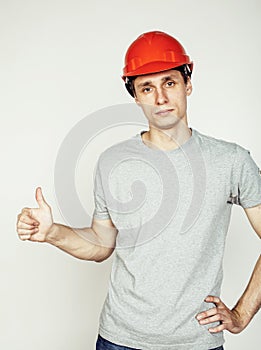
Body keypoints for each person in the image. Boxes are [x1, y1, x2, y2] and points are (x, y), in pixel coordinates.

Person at [16, 31, 261, 350]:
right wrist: (52, 233)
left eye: (169, 83)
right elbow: (101, 244)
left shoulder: (231, 161)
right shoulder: (112, 161)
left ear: (188, 83)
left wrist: (242, 315)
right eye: (147, 87)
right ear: (135, 95)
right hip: (120, 339)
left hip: (196, 343)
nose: (160, 98)